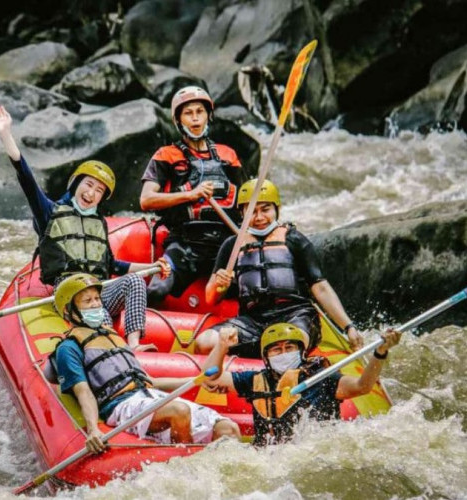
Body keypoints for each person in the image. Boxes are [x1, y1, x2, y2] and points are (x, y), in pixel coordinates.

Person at [0, 105, 170, 351]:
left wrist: (153, 267)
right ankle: (113, 349)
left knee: (135, 282)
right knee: (95, 307)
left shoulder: (98, 223)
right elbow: (26, 178)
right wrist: (6, 135)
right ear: (75, 184)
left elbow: (112, 266)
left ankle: (134, 344)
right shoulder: (49, 212)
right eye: (88, 185)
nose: (91, 193)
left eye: (99, 191)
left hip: (99, 290)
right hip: (71, 292)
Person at [49, 273, 240, 452]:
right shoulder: (69, 347)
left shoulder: (112, 336)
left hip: (149, 394)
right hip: (121, 406)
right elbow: (83, 391)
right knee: (179, 411)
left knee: (228, 429)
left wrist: (198, 380)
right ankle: (187, 469)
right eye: (87, 301)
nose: (96, 305)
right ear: (69, 310)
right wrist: (93, 430)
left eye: (97, 299)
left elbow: (151, 382)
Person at [195, 178, 363, 356]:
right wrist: (219, 285)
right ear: (242, 213)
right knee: (204, 343)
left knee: (288, 345)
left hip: (295, 316)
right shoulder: (232, 245)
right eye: (252, 211)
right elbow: (210, 298)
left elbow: (320, 288)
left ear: (277, 209)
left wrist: (349, 326)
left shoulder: (294, 240)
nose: (259, 217)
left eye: (265, 209)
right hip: (253, 321)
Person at [203, 322, 401, 446]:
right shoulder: (254, 380)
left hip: (311, 454)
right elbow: (210, 377)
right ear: (266, 357)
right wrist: (221, 346)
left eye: (289, 348)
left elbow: (362, 386)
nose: (284, 353)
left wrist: (380, 352)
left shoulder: (322, 378)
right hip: (269, 457)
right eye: (276, 350)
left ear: (301, 353)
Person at [140, 86, 247, 303]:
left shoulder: (229, 155)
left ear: (209, 115)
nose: (196, 119)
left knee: (255, 286)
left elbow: (247, 201)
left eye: (200, 111)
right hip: (185, 244)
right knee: (157, 290)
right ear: (179, 120)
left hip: (226, 244)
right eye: (188, 113)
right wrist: (191, 194)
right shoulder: (166, 155)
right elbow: (146, 200)